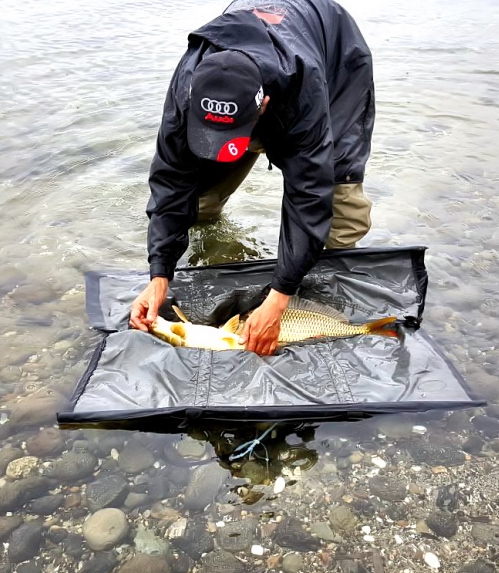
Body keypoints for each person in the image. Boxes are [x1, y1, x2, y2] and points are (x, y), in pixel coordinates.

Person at [129, 0, 376, 355]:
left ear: (262, 107)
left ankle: (316, 294)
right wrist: (159, 273)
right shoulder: (188, 87)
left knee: (340, 211)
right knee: (198, 201)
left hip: (335, 61)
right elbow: (171, 182)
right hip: (253, 50)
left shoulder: (302, 92)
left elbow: (308, 195)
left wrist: (279, 298)